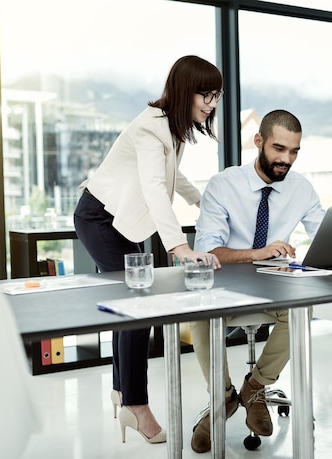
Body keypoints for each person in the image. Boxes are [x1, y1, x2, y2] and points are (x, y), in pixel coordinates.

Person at [189, 109, 332, 453]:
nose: (286, 159)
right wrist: (258, 252)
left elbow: (325, 233)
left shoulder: (300, 188)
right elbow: (208, 252)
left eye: (294, 151)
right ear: (259, 141)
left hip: (274, 283)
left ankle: (255, 387)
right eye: (279, 149)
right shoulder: (224, 185)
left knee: (302, 309)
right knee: (201, 317)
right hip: (227, 286)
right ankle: (223, 398)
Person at [73, 55, 223, 444]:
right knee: (139, 307)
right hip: (100, 218)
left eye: (216, 95)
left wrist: (201, 201)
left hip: (120, 220)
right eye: (205, 94)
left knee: (134, 306)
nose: (211, 104)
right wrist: (179, 246)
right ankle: (135, 405)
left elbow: (174, 175)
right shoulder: (151, 128)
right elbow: (154, 186)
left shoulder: (172, 127)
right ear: (184, 90)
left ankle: (124, 395)